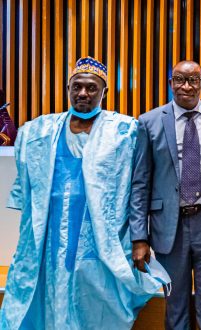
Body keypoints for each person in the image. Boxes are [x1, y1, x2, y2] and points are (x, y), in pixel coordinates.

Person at [0, 57, 163, 329]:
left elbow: (139, 185)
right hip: (49, 235)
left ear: (104, 92)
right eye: (77, 87)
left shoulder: (123, 132)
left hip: (99, 240)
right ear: (68, 89)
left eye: (91, 87)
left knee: (93, 301)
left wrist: (139, 238)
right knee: (49, 295)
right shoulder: (41, 130)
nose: (83, 93)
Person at [129, 60, 201, 329]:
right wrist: (139, 237)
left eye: (193, 80)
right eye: (179, 80)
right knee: (175, 306)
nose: (186, 86)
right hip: (168, 227)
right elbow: (140, 183)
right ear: (171, 83)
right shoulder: (149, 122)